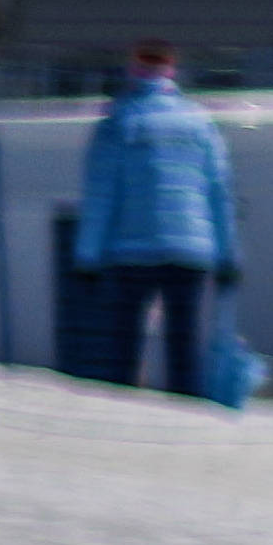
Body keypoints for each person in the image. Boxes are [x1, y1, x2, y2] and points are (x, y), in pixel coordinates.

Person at [72, 40, 238, 399]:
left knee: (124, 343)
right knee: (185, 342)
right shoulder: (200, 123)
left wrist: (87, 256)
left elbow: (100, 197)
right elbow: (219, 194)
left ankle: (123, 410)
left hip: (130, 249)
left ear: (134, 69)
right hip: (191, 248)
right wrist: (228, 257)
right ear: (172, 71)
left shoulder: (118, 122)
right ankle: (187, 412)